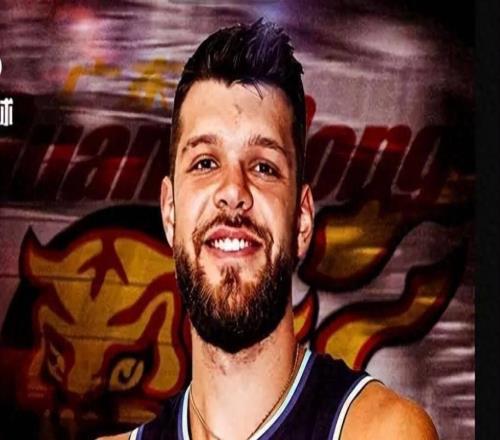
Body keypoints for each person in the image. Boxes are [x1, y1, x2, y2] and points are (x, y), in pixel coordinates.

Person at [100, 19, 438, 440]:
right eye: (205, 162)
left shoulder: (380, 432)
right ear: (170, 213)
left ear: (301, 221)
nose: (233, 191)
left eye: (263, 167)